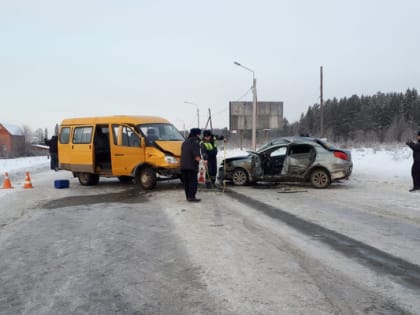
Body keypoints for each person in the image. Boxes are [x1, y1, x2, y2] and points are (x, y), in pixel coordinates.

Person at [181, 128, 205, 202]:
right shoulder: (195, 141)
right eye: (199, 134)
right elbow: (196, 155)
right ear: (197, 134)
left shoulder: (185, 142)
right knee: (193, 182)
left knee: (186, 182)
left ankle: (188, 196)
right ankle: (192, 197)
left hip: (183, 166)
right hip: (191, 166)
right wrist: (202, 161)